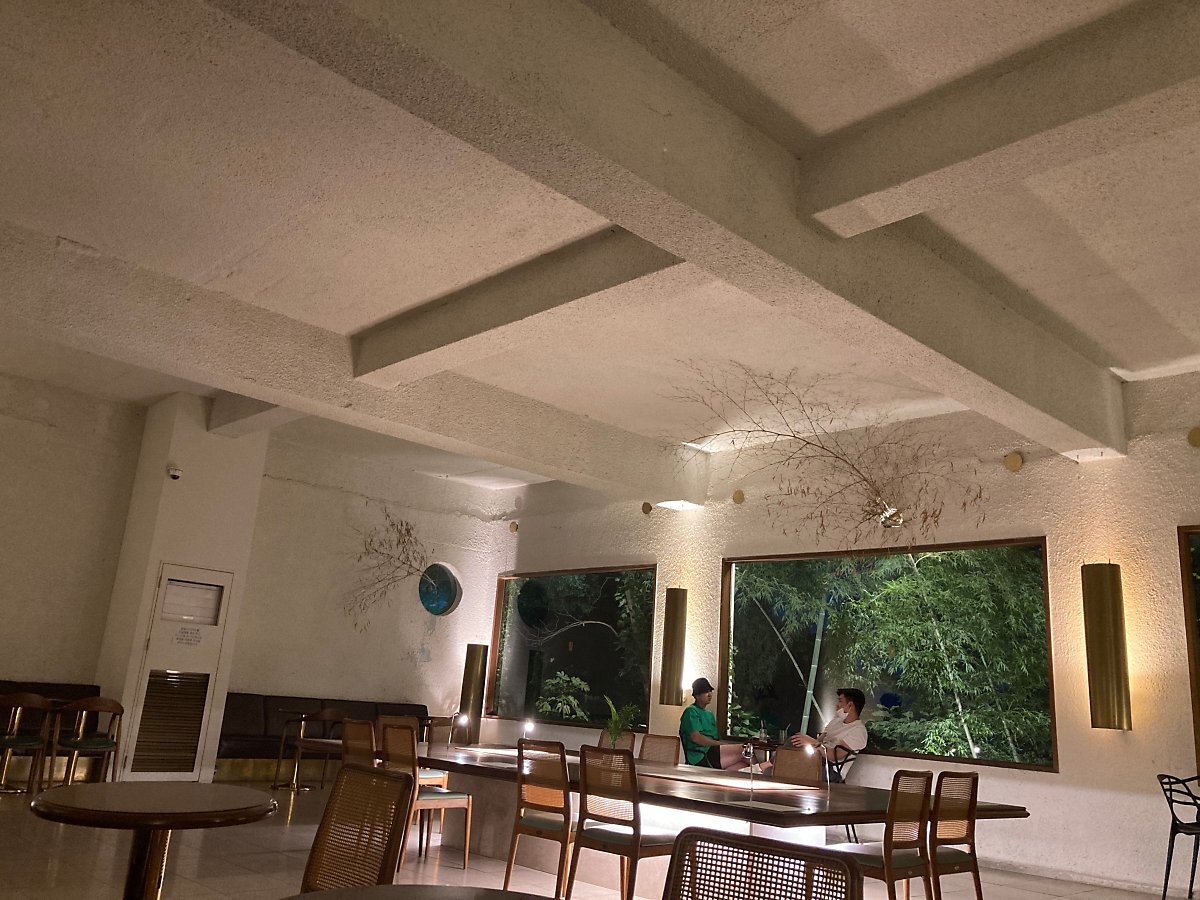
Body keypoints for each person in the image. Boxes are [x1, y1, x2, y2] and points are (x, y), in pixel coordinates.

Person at [789, 687, 868, 780]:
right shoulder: (835, 722)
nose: (837, 705)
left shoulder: (858, 731)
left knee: (788, 767)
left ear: (850, 705)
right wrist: (806, 742)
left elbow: (834, 756)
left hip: (830, 769)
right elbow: (820, 740)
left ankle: (775, 769)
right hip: (815, 759)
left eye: (840, 701)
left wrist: (812, 742)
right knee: (793, 742)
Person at [679, 677, 750, 770]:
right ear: (697, 695)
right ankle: (762, 773)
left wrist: (723, 744)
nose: (709, 694)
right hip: (701, 755)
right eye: (705, 692)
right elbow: (696, 738)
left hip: (713, 751)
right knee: (745, 750)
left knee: (743, 766)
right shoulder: (691, 711)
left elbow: (716, 737)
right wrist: (719, 744)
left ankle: (758, 774)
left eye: (710, 691)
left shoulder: (709, 714)